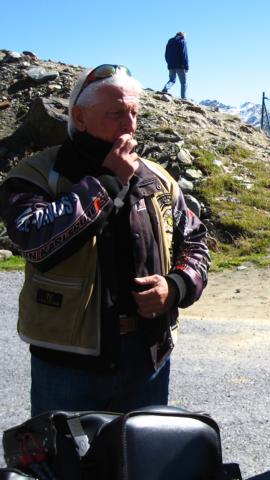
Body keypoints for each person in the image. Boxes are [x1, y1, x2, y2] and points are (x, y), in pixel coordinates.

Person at [0, 64, 210, 415]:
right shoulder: (36, 175)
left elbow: (196, 243)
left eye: (134, 113)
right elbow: (35, 241)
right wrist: (108, 182)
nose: (130, 125)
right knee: (66, 450)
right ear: (80, 117)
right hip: (68, 364)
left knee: (141, 449)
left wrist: (175, 286)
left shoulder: (157, 178)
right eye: (117, 113)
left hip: (147, 357)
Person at [162, 32, 189, 99]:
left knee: (172, 80)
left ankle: (165, 89)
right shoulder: (182, 41)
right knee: (183, 82)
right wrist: (186, 66)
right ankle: (184, 98)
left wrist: (169, 62)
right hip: (180, 65)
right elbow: (184, 54)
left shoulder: (170, 41)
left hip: (171, 64)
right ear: (183, 35)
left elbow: (166, 54)